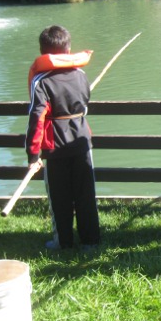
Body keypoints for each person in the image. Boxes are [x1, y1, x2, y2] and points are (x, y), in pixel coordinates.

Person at [26, 25, 100, 251]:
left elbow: (37, 117)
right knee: (86, 193)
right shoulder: (81, 75)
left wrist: (33, 153)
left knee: (60, 197)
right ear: (68, 50)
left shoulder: (41, 80)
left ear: (43, 52)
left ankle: (63, 242)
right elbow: (85, 100)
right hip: (81, 142)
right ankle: (91, 242)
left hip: (55, 146)